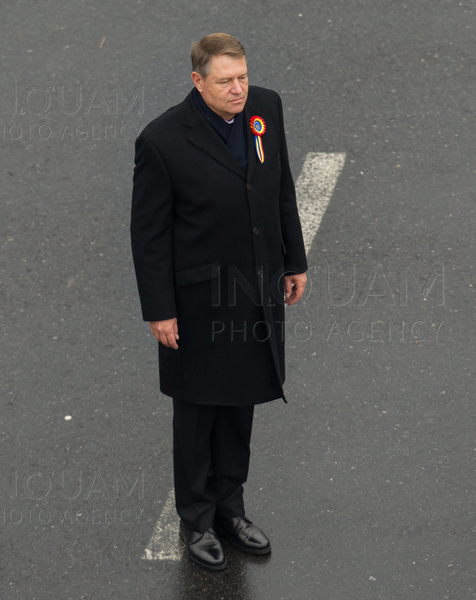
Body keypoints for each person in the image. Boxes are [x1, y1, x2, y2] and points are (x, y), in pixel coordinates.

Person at [130, 33, 308, 571]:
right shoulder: (162, 141)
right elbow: (149, 235)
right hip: (199, 301)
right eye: (226, 81)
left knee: (241, 402)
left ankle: (232, 508)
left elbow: (280, 189)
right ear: (197, 81)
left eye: (244, 77)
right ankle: (198, 519)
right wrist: (160, 309)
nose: (239, 90)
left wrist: (293, 260)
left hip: (255, 289)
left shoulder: (266, 107)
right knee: (199, 409)